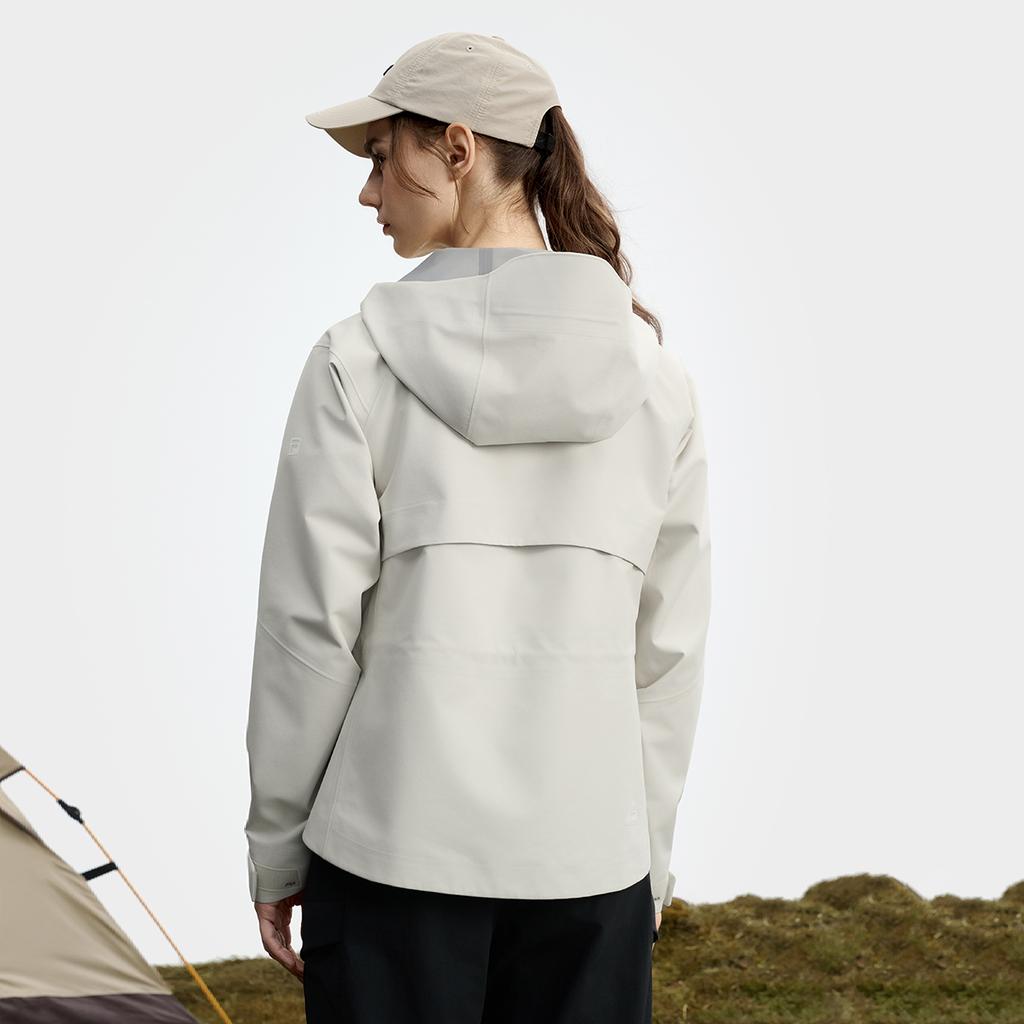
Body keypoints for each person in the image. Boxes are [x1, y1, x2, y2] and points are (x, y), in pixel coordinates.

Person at [243, 31, 712, 1024]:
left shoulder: (353, 364)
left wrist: (278, 848)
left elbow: (307, 636)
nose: (368, 191)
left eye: (382, 157)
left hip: (389, 860)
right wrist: (648, 862)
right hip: (592, 871)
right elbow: (666, 658)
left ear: (458, 148)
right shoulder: (658, 384)